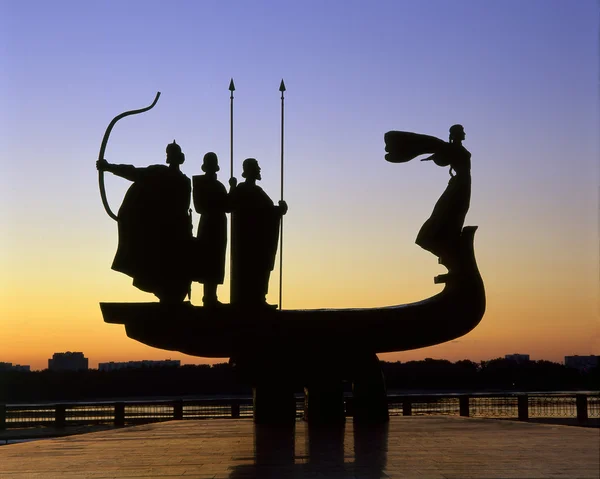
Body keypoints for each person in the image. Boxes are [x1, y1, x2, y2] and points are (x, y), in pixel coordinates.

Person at [96, 141, 192, 302]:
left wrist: (108, 167)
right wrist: (108, 167)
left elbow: (135, 173)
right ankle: (165, 292)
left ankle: (170, 293)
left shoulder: (176, 178)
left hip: (173, 229)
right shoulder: (162, 173)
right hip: (166, 229)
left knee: (171, 266)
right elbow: (134, 172)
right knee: (160, 264)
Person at [229, 158, 288, 307]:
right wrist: (279, 210)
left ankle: (258, 298)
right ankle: (254, 300)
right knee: (253, 269)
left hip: (257, 240)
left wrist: (279, 210)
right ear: (250, 170)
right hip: (250, 241)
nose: (259, 169)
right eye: (256, 167)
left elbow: (268, 212)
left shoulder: (255, 191)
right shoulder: (244, 190)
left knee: (259, 268)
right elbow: (231, 205)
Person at [415, 124, 471, 267]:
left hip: (462, 184)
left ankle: (449, 249)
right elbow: (442, 158)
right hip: (459, 184)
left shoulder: (455, 149)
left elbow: (443, 157)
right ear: (456, 135)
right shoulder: (452, 149)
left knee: (453, 213)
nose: (464, 134)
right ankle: (445, 249)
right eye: (461, 132)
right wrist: (434, 156)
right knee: (443, 212)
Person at [192, 152, 230, 307]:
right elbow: (199, 207)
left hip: (217, 223)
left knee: (215, 258)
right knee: (209, 258)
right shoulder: (202, 184)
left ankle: (211, 296)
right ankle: (208, 297)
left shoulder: (218, 185)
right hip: (210, 223)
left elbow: (228, 206)